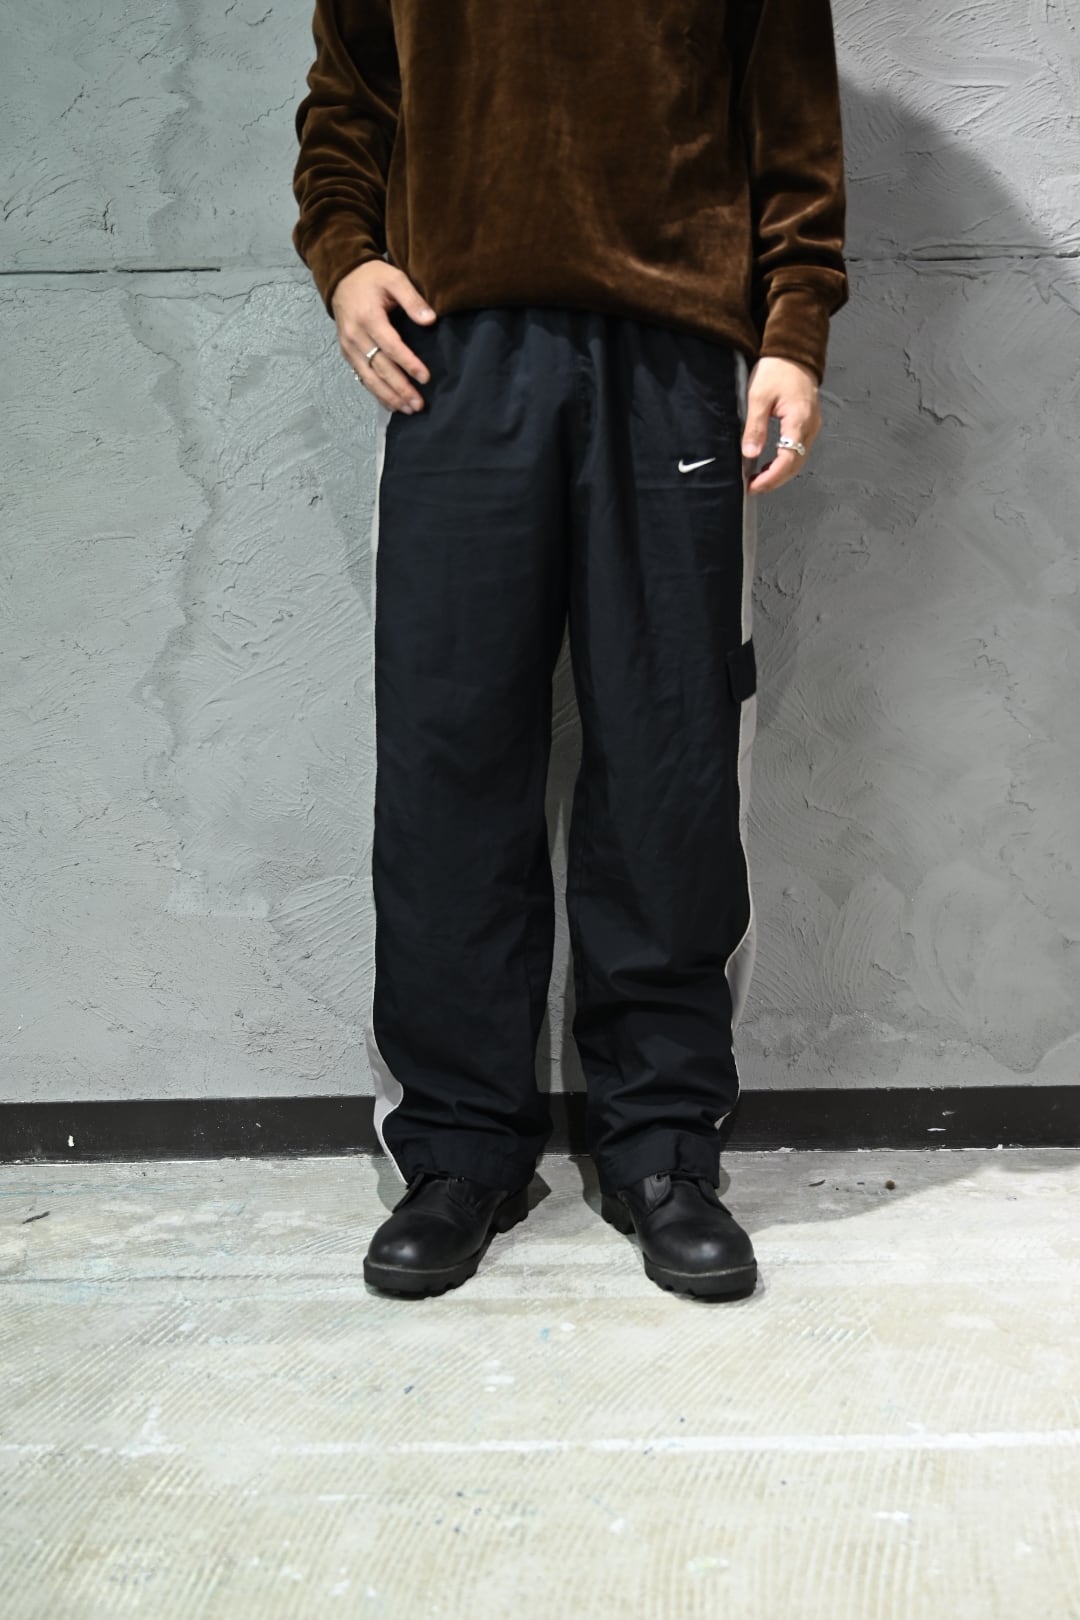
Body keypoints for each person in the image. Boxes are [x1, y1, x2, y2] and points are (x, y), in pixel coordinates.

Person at [291, 0, 849, 1301]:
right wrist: (347, 255)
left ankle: (661, 1148)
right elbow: (349, 102)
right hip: (455, 351)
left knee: (671, 756)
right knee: (447, 754)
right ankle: (457, 1150)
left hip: (675, 353)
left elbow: (794, 130)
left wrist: (793, 329)